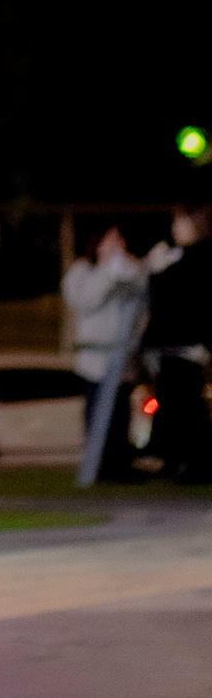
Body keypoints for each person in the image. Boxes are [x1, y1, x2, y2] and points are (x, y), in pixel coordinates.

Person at [64, 221, 149, 487]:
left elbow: (140, 303)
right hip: (95, 360)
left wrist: (133, 271)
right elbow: (85, 301)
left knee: (121, 416)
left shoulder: (127, 271)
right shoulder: (82, 272)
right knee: (99, 417)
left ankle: (120, 465)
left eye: (120, 240)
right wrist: (107, 273)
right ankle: (99, 467)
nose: (117, 247)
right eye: (110, 241)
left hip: (121, 358)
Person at [143, 199, 211, 485]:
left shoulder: (199, 259)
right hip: (169, 346)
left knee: (188, 406)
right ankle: (175, 459)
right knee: (171, 404)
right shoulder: (171, 258)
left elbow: (195, 301)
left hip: (190, 345)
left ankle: (194, 463)